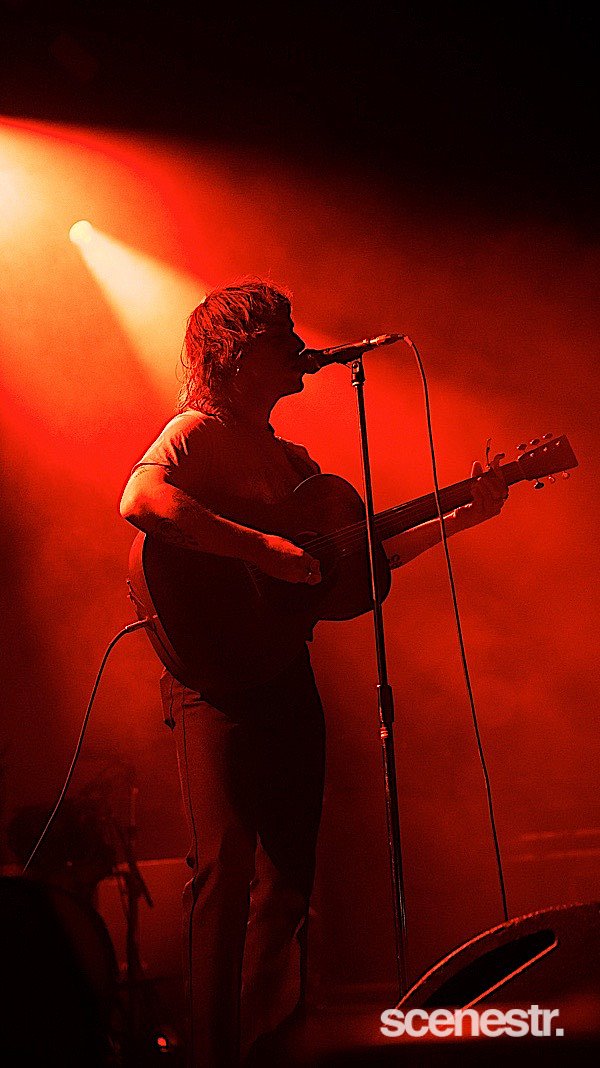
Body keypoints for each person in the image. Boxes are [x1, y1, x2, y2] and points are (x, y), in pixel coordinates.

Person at [119, 281, 508, 1066]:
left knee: (290, 879)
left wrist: (463, 514)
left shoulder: (294, 463)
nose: (300, 347)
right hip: (213, 683)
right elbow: (141, 499)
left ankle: (271, 1050)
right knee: (224, 867)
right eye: (282, 335)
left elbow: (357, 560)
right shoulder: (195, 433)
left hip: (283, 674)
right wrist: (260, 548)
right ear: (237, 355)